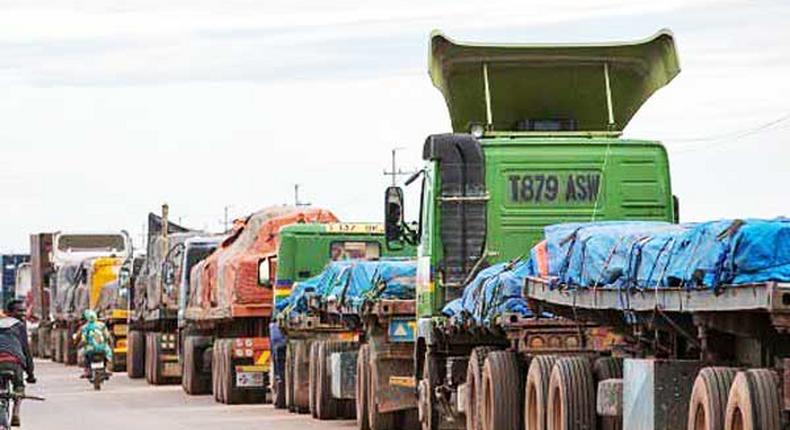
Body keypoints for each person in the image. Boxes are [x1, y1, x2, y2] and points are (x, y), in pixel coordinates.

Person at [0, 300, 36, 427]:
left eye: (23, 311)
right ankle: (16, 411)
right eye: (19, 311)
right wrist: (30, 374)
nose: (22, 314)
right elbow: (26, 351)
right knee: (19, 388)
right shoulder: (20, 326)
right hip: (15, 362)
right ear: (8, 312)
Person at [74, 310, 113, 377]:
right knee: (108, 355)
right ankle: (107, 369)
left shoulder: (84, 327)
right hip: (102, 348)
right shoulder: (102, 325)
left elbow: (82, 339)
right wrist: (109, 344)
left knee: (85, 356)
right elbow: (107, 336)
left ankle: (87, 370)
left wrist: (77, 345)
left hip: (90, 349)